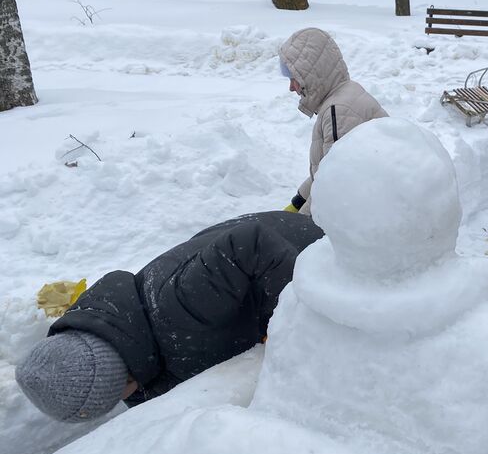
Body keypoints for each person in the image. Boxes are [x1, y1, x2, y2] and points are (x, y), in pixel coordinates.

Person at [16, 211, 324, 422]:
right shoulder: (126, 342)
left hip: (311, 245)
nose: (120, 402)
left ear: (121, 377)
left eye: (112, 398)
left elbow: (252, 243)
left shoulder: (179, 304)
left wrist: (286, 321)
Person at [280, 27, 387, 215]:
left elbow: (336, 185)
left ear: (311, 75)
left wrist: (298, 224)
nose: (291, 87)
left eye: (293, 78)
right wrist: (298, 202)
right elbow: (326, 170)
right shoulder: (344, 95)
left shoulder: (339, 111)